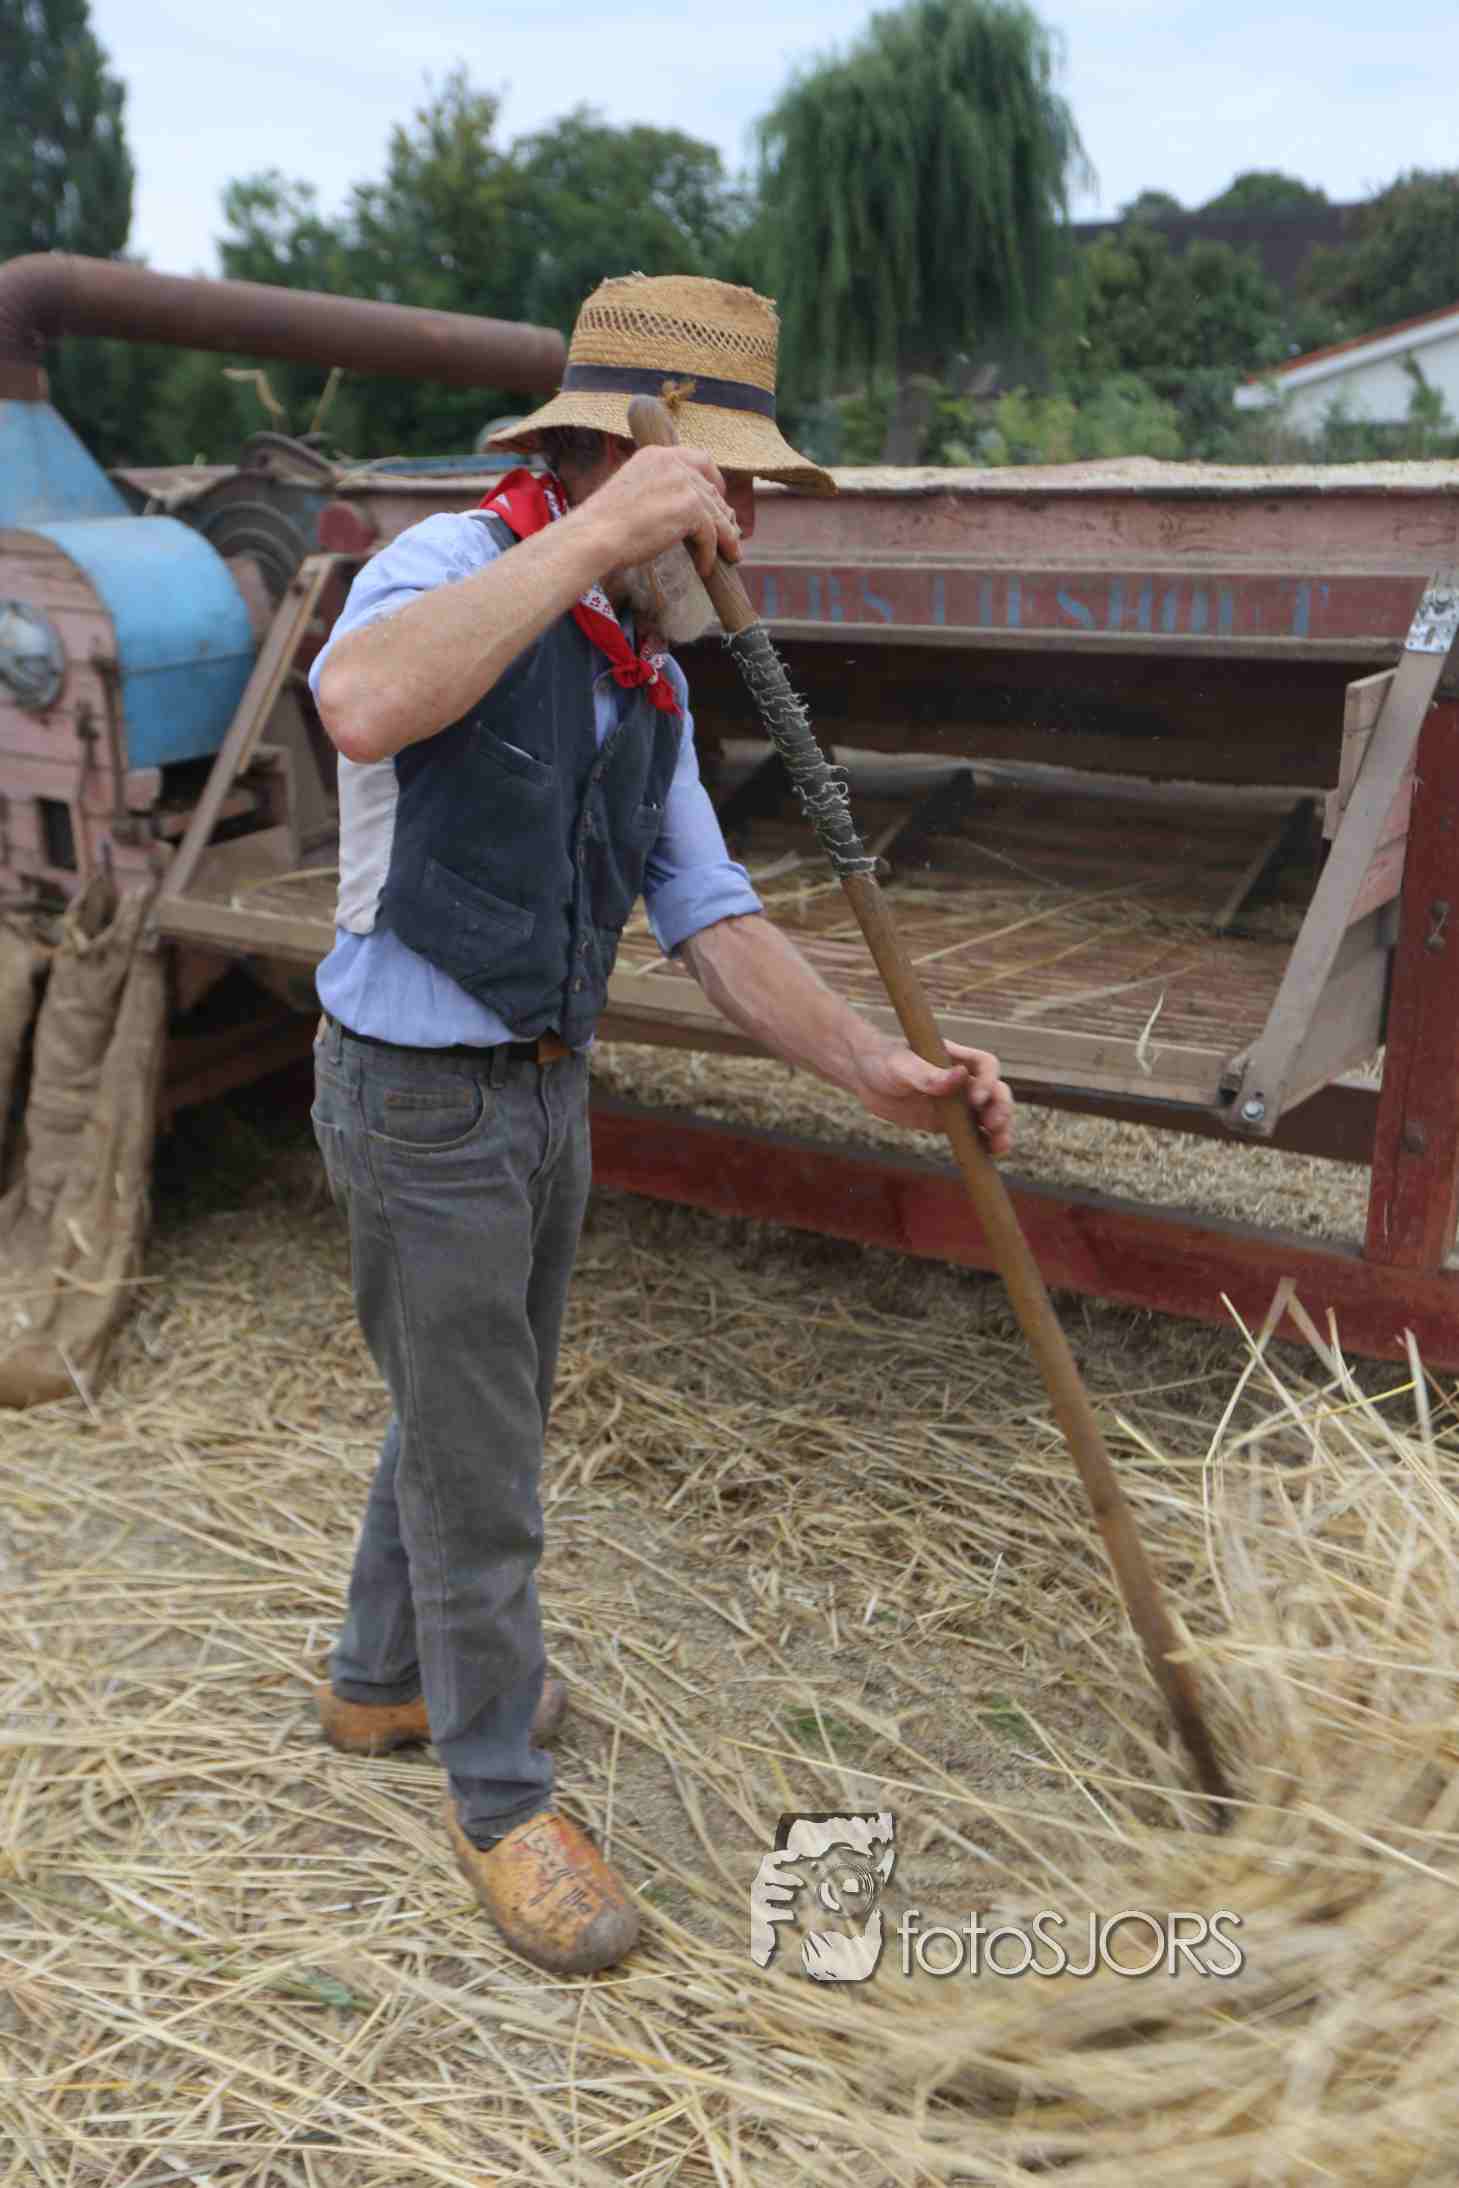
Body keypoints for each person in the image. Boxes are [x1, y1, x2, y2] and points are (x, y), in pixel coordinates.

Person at [307, 273, 1014, 1978]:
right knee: (485, 1463)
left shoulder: (646, 674)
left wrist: (873, 1067)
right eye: (727, 484)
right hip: (417, 1101)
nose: (741, 525)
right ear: (624, 462)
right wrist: (601, 533)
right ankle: (500, 1795)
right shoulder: (448, 569)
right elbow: (361, 703)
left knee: (468, 1408)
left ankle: (379, 1680)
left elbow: (709, 914)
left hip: (543, 1089)